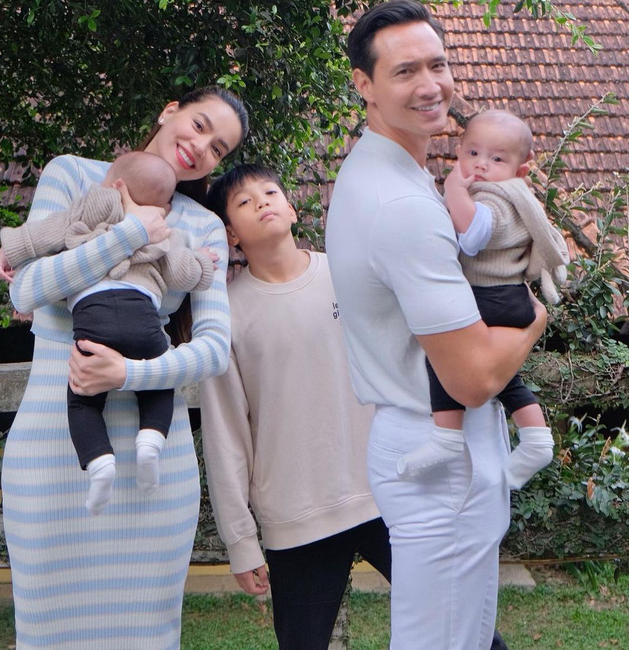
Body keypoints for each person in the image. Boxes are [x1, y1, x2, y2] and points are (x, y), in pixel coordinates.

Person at [0, 85, 248, 650]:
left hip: (153, 468)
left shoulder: (202, 226)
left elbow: (213, 350)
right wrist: (131, 234)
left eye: (219, 149)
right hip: (53, 452)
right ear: (169, 110)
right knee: (46, 633)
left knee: (147, 635)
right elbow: (29, 289)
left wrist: (127, 375)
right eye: (200, 125)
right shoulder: (72, 175)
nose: (202, 148)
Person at [325, 2, 547, 649]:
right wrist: (536, 315)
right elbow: (472, 377)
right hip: (438, 452)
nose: (430, 85)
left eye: (438, 64)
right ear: (364, 85)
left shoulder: (387, 171)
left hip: (429, 442)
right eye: (405, 71)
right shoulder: (401, 203)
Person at [200, 163, 392, 650]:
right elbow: (225, 435)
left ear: (290, 208)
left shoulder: (349, 273)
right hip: (296, 515)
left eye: (270, 192)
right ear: (231, 234)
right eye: (244, 202)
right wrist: (240, 541)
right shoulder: (226, 314)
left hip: (389, 492)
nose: (262, 202)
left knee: (467, 624)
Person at [0, 151, 218, 515]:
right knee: (159, 384)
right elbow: (185, 274)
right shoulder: (167, 230)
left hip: (93, 318)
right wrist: (203, 262)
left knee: (82, 398)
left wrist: (10, 252)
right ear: (164, 205)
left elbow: (45, 233)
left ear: (115, 184)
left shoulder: (92, 204)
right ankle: (150, 441)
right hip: (143, 319)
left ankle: (99, 461)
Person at [398, 109, 569, 488]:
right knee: (505, 377)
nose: (481, 165)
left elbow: (474, 238)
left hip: (491, 296)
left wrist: (455, 190)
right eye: (473, 153)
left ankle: (446, 436)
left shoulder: (497, 198)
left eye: (496, 159)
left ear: (520, 170)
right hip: (509, 298)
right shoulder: (510, 194)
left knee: (443, 355)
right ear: (458, 151)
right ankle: (537, 438)